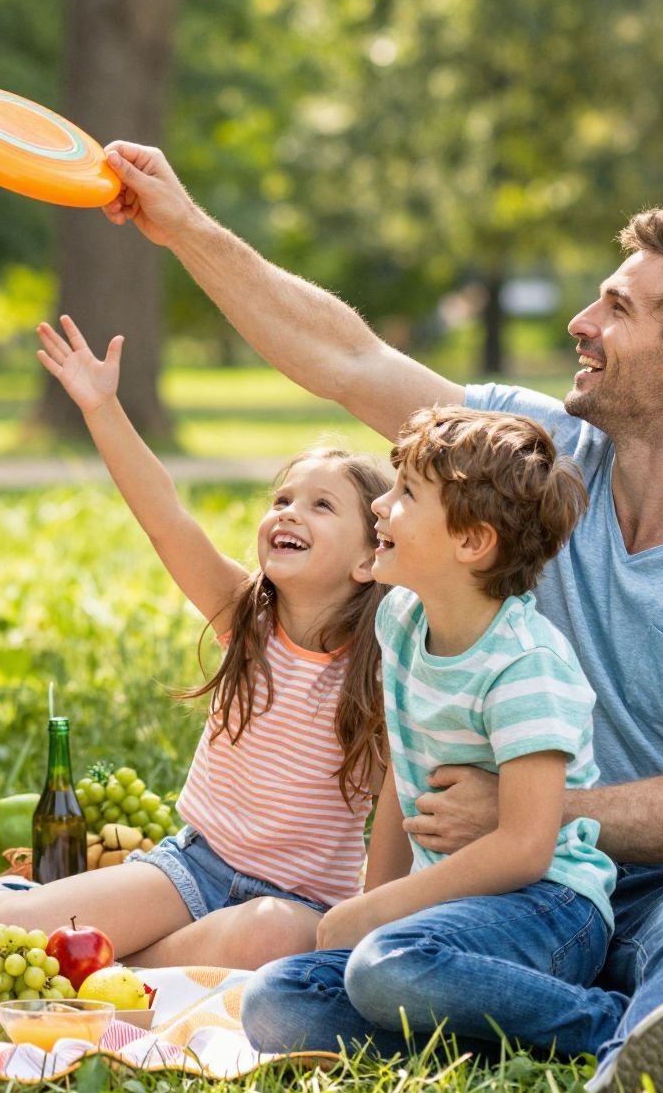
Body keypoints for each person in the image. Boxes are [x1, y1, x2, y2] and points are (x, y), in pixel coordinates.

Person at [99, 144, 663, 1093]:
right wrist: (183, 227)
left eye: (616, 310)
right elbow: (344, 357)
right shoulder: (524, 467)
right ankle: (618, 1019)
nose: (579, 324)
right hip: (541, 898)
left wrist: (525, 812)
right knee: (293, 1001)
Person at [0, 316, 389, 970]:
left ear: (372, 559)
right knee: (11, 928)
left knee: (270, 933)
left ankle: (109, 965)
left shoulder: (388, 669)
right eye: (282, 498)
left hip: (299, 906)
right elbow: (166, 518)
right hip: (192, 870)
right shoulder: (246, 617)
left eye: (321, 506)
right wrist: (102, 406)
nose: (287, 513)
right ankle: (62, 938)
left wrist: (373, 923)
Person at [242, 406, 618, 1056]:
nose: (381, 508)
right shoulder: (401, 623)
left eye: (406, 494)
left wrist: (382, 916)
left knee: (384, 963)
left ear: (472, 541)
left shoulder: (525, 664)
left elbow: (527, 848)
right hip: (439, 927)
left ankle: (614, 1026)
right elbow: (401, 782)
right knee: (275, 1003)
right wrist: (374, 902)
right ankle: (494, 1037)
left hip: (552, 910)